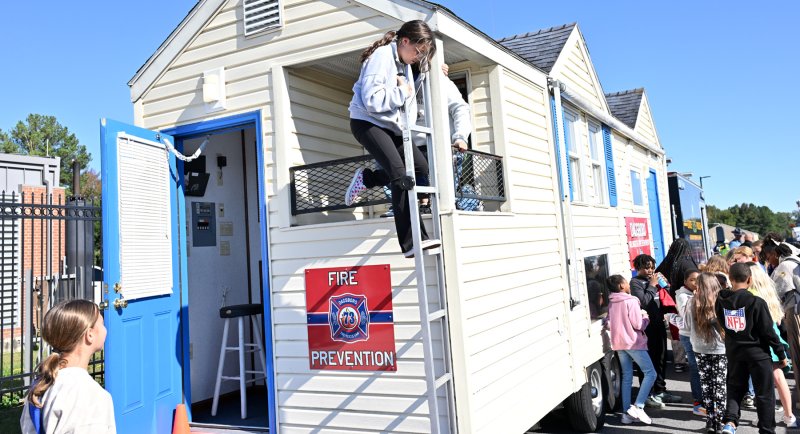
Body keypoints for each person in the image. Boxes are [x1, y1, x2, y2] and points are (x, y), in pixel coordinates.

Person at [345, 20, 440, 258]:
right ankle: (411, 243)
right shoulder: (381, 57)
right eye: (417, 52)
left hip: (391, 127)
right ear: (405, 41)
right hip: (367, 122)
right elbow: (372, 101)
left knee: (421, 167)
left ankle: (368, 179)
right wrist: (402, 92)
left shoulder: (404, 64)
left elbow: (407, 96)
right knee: (401, 177)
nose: (418, 57)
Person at [20, 299, 115, 434]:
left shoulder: (40, 385)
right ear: (90, 335)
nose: (105, 328)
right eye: (102, 322)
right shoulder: (90, 396)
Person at [716, 262, 788, 434]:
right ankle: (766, 429)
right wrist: (780, 353)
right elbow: (768, 332)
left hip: (735, 353)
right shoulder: (756, 302)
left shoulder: (721, 301)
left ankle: (730, 422)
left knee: (734, 388)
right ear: (749, 280)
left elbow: (722, 323)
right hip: (758, 354)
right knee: (764, 394)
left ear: (731, 279)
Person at [747, 263, 797, 428]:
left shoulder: (750, 296)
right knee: (779, 379)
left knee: (764, 383)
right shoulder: (768, 293)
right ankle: (789, 416)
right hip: (773, 341)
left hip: (760, 343)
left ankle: (767, 420)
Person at [629, 254, 681, 408]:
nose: (650, 270)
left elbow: (668, 296)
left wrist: (666, 285)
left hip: (659, 324)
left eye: (652, 267)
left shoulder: (654, 280)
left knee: (661, 358)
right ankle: (648, 393)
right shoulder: (635, 283)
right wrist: (652, 285)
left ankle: (660, 390)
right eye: (646, 267)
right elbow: (644, 301)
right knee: (648, 360)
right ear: (638, 268)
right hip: (646, 327)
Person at [679, 272, 728, 433]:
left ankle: (710, 421)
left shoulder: (692, 302)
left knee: (706, 385)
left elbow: (685, 326)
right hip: (720, 348)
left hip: (699, 348)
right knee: (719, 385)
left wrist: (671, 318)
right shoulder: (722, 301)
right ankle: (720, 422)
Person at [606, 274, 655, 425]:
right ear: (622, 286)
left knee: (627, 377)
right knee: (651, 373)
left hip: (619, 343)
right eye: (626, 282)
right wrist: (645, 317)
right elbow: (638, 325)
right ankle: (639, 406)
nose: (628, 284)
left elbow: (608, 322)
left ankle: (626, 414)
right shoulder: (631, 300)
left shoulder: (611, 302)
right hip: (633, 343)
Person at [762, 235, 800, 405]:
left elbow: (774, 292)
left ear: (775, 253)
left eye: (768, 256)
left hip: (795, 311)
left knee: (797, 353)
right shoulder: (794, 262)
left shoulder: (785, 266)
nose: (769, 261)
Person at [656, 238, 698, 373]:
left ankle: (679, 362)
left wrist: (667, 287)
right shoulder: (688, 262)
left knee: (676, 330)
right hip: (687, 297)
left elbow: (657, 274)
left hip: (671, 299)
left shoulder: (668, 261)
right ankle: (693, 356)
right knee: (689, 326)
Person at [672, 268, 705, 416]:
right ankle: (698, 400)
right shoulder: (682, 295)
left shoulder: (700, 292)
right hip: (688, 335)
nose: (695, 283)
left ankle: (706, 397)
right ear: (685, 281)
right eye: (692, 280)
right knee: (695, 367)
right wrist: (697, 298)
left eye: (698, 280)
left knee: (704, 366)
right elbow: (686, 317)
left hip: (702, 335)